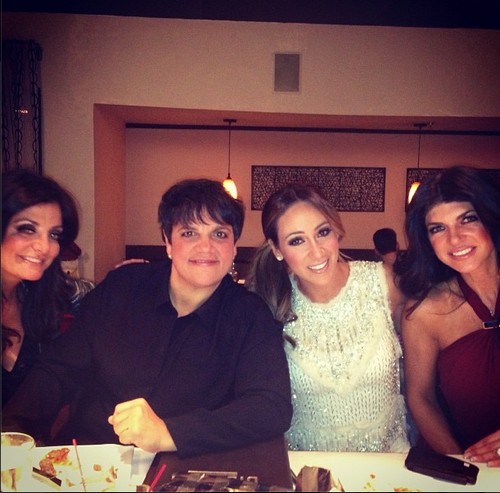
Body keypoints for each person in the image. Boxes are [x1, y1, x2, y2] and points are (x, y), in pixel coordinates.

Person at [2, 178, 292, 457]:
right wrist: (13, 432)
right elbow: (57, 371)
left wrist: (170, 434)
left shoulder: (250, 315)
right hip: (89, 463)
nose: (206, 247)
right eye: (189, 233)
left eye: (219, 234)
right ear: (168, 242)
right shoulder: (122, 287)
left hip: (184, 469)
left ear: (234, 246)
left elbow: (270, 406)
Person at [246, 183, 409, 452]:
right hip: (304, 469)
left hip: (388, 465)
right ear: (277, 250)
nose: (317, 251)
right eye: (297, 240)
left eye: (322, 232)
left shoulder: (384, 282)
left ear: (336, 230)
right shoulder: (268, 304)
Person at [393, 165, 500, 467]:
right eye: (437, 228)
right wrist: (463, 467)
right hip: (463, 465)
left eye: (468, 219)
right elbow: (421, 398)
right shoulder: (424, 311)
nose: (455, 239)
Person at [2, 169, 81, 407]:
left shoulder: (34, 296)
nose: (44, 247)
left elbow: (90, 294)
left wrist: (129, 279)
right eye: (27, 229)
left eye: (54, 235)